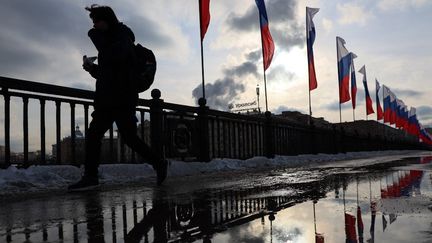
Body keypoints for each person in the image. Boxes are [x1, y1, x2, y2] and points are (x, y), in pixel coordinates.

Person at [68, 5, 167, 190]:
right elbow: (110, 72)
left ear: (106, 20)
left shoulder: (121, 38)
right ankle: (91, 176)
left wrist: (94, 35)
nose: (94, 25)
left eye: (97, 21)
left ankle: (159, 162)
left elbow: (117, 62)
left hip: (122, 98)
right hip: (109, 97)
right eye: (93, 23)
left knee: (128, 138)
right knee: (95, 135)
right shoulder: (112, 40)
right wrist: (93, 69)